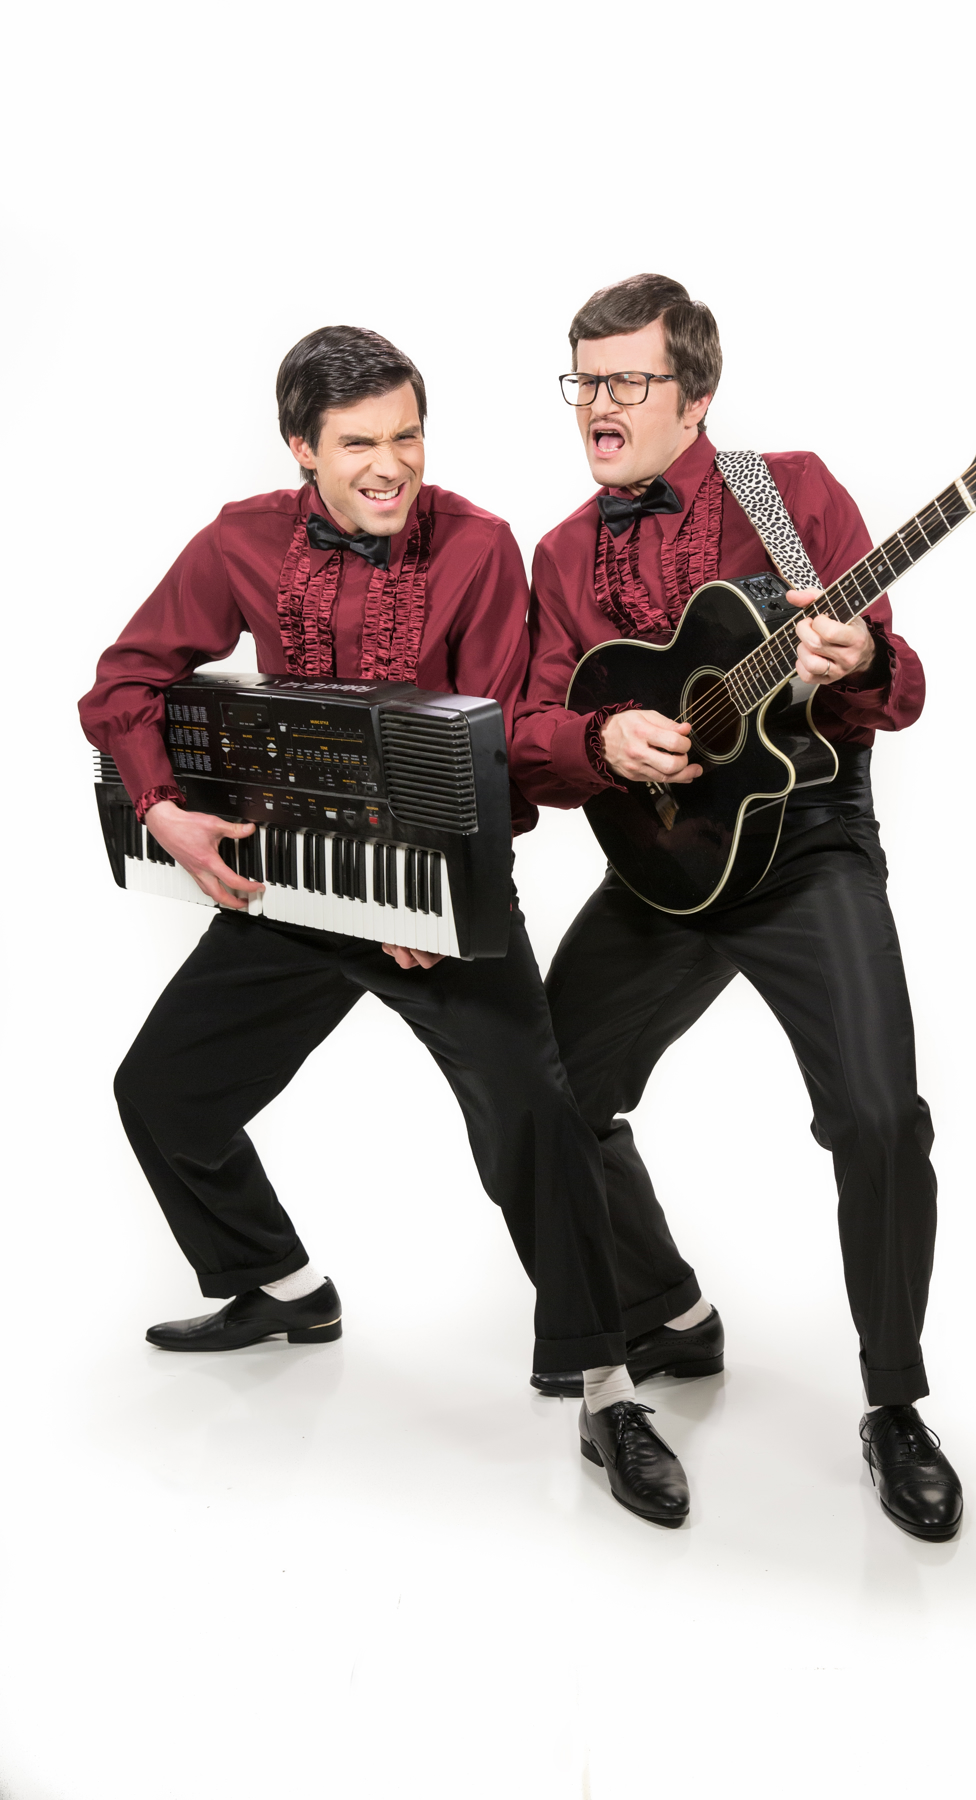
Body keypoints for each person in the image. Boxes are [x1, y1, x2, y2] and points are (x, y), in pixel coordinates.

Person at [78, 324, 690, 1528]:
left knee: (533, 1115)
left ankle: (607, 1386)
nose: (391, 464)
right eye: (359, 443)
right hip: (301, 886)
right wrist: (163, 810)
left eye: (408, 435)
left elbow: (498, 752)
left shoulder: (478, 545)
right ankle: (278, 1284)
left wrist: (429, 898)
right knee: (162, 1092)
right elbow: (123, 681)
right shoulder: (238, 541)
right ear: (300, 447)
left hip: (436, 899)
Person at [512, 274, 963, 1540]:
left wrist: (861, 654)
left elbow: (891, 687)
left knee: (878, 1117)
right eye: (584, 379)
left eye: (626, 380)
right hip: (663, 866)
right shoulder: (562, 554)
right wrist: (604, 740)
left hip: (804, 848)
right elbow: (534, 733)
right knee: (547, 1094)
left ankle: (894, 1402)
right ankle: (651, 1326)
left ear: (696, 393)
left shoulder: (790, 495)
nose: (597, 404)